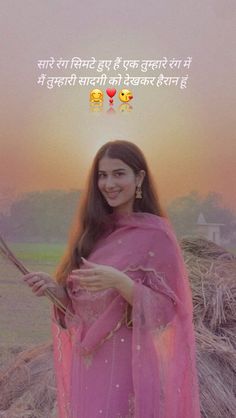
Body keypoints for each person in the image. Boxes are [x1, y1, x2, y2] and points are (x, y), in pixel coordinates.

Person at [23, 140, 201, 418]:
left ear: (139, 177)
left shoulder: (156, 236)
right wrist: (55, 291)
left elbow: (167, 313)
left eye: (119, 174)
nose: (108, 183)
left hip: (128, 364)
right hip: (88, 365)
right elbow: (82, 311)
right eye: (102, 176)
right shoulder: (93, 233)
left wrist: (122, 283)